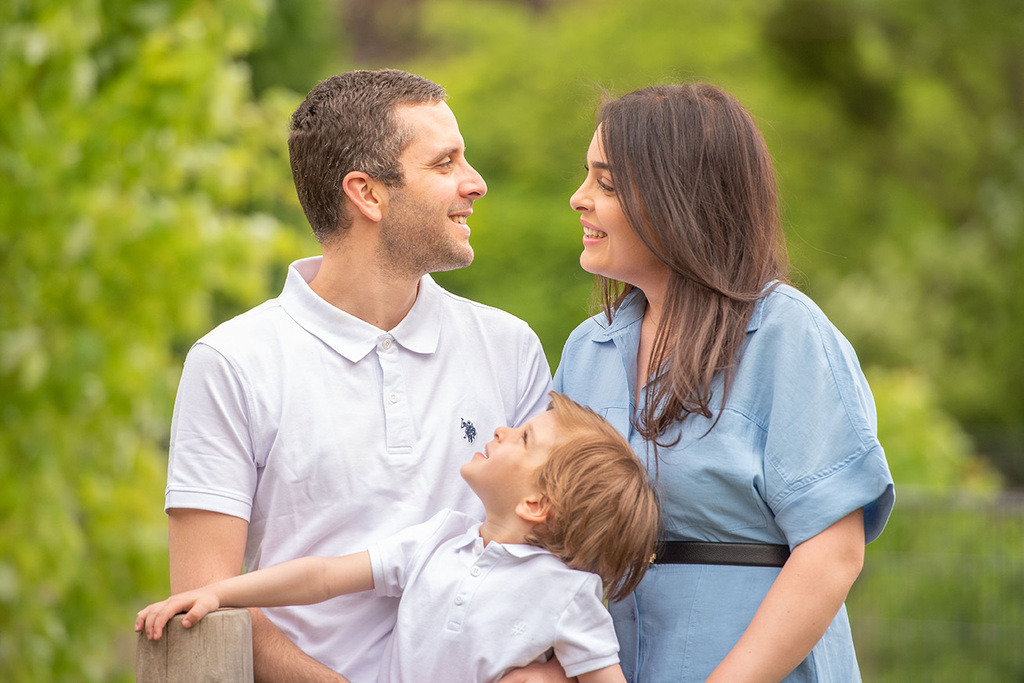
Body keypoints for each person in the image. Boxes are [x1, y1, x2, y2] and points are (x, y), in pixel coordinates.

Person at [164, 69, 552, 682]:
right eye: (445, 162)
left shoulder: (511, 347)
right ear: (366, 194)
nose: (474, 184)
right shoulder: (233, 362)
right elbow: (205, 593)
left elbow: (547, 557)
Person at [553, 82, 896, 681]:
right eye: (588, 177)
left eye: (606, 183)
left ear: (677, 198)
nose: (579, 199)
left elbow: (833, 553)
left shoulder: (784, 333)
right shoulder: (588, 350)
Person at [140, 393, 660, 683]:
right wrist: (219, 592)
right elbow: (323, 577)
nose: (500, 430)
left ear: (535, 504)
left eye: (523, 438)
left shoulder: (569, 593)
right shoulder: (439, 541)